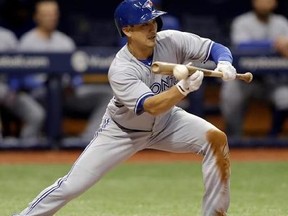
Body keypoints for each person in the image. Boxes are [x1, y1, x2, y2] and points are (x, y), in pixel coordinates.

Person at [13, 0, 237, 215]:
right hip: (122, 131)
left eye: (153, 22)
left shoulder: (171, 40)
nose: (152, 29)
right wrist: (182, 89)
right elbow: (151, 106)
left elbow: (214, 48)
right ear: (128, 30)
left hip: (168, 121)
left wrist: (224, 62)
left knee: (216, 139)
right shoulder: (121, 68)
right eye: (144, 24)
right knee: (71, 186)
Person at [17, 0, 113, 143]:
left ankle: (89, 139)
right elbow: (21, 78)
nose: (51, 17)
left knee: (107, 95)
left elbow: (76, 74)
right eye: (47, 14)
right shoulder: (27, 41)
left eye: (54, 14)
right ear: (36, 17)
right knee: (50, 91)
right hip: (39, 94)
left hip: (66, 93)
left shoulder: (65, 41)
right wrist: (47, 85)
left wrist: (72, 84)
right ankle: (28, 146)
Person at [220, 0, 288, 138]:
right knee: (230, 93)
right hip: (244, 80)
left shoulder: (281, 22)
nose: (264, 3)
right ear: (254, 2)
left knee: (285, 97)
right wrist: (273, 44)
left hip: (274, 81)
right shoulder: (242, 21)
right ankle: (234, 136)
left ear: (275, 3)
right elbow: (242, 45)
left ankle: (273, 136)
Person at [0, 26, 45, 144]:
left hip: (7, 91)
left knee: (36, 114)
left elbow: (20, 65)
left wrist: (14, 86)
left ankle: (25, 148)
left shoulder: (6, 37)